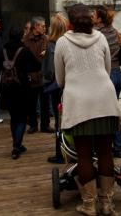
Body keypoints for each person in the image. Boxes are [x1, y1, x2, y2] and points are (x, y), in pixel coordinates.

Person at [54, 4, 121, 216]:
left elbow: (59, 79)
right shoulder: (101, 38)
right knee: (105, 152)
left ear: (70, 22)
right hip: (105, 99)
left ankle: (89, 204)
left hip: (79, 103)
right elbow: (107, 68)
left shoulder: (63, 43)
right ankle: (107, 203)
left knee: (83, 155)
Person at [0, 27, 37, 159]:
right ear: (21, 36)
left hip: (7, 88)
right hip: (22, 88)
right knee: (21, 118)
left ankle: (17, 144)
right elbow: (36, 65)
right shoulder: (24, 50)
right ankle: (16, 147)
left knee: (13, 117)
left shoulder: (3, 49)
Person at [92, 5, 121, 159]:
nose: (91, 16)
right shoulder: (114, 31)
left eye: (94, 14)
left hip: (107, 74)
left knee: (105, 113)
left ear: (99, 19)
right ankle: (118, 146)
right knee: (115, 111)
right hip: (118, 75)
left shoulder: (97, 34)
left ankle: (110, 146)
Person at [44, 12, 67, 164]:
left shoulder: (52, 45)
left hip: (57, 86)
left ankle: (60, 153)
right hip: (70, 86)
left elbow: (51, 70)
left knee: (59, 120)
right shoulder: (68, 42)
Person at [23, 16, 51, 133]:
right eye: (43, 26)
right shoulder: (26, 40)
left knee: (45, 103)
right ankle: (33, 124)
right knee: (32, 102)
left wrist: (47, 53)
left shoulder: (46, 39)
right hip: (32, 75)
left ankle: (45, 125)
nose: (45, 28)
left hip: (43, 75)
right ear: (36, 27)